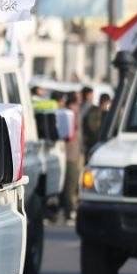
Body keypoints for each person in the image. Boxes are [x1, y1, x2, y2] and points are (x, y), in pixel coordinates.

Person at [60, 91, 83, 222]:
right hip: (71, 153)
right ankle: (68, 211)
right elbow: (71, 133)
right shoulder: (70, 112)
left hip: (73, 152)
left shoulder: (71, 111)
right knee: (70, 183)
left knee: (71, 183)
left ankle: (68, 210)